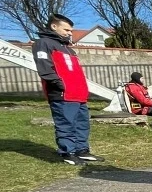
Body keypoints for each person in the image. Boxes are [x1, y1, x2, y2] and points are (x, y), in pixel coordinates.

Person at [33, 13, 105, 166]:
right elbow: (45, 68)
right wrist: (59, 84)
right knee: (66, 124)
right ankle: (68, 152)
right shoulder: (43, 43)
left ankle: (82, 150)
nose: (69, 33)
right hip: (62, 94)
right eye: (66, 30)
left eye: (71, 31)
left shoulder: (68, 49)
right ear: (54, 26)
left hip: (78, 94)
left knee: (82, 124)